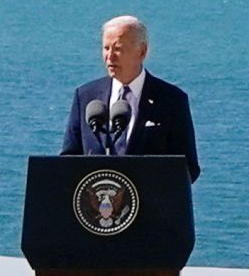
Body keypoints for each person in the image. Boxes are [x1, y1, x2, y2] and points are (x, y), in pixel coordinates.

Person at [60, 15, 200, 183]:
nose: (109, 57)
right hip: (95, 206)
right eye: (106, 48)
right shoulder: (85, 97)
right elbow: (68, 161)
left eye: (118, 49)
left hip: (150, 206)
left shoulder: (171, 100)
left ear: (142, 51)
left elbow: (188, 167)